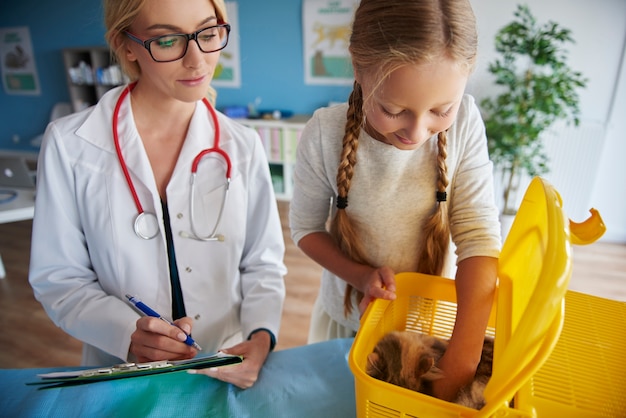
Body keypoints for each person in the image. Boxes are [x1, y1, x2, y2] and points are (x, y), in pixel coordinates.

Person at [28, 0, 286, 389]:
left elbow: (263, 264)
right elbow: (59, 277)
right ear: (127, 45)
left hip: (224, 361)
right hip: (124, 368)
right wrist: (126, 332)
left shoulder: (242, 146)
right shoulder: (70, 145)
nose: (197, 61)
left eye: (208, 34)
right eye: (167, 40)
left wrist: (261, 337)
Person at [289, 0, 501, 403]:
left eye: (441, 110)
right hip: (350, 323)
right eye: (393, 110)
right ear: (357, 67)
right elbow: (306, 230)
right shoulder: (324, 133)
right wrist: (357, 274)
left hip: (434, 325)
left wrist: (462, 356)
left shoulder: (467, 123)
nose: (417, 132)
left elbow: (479, 236)